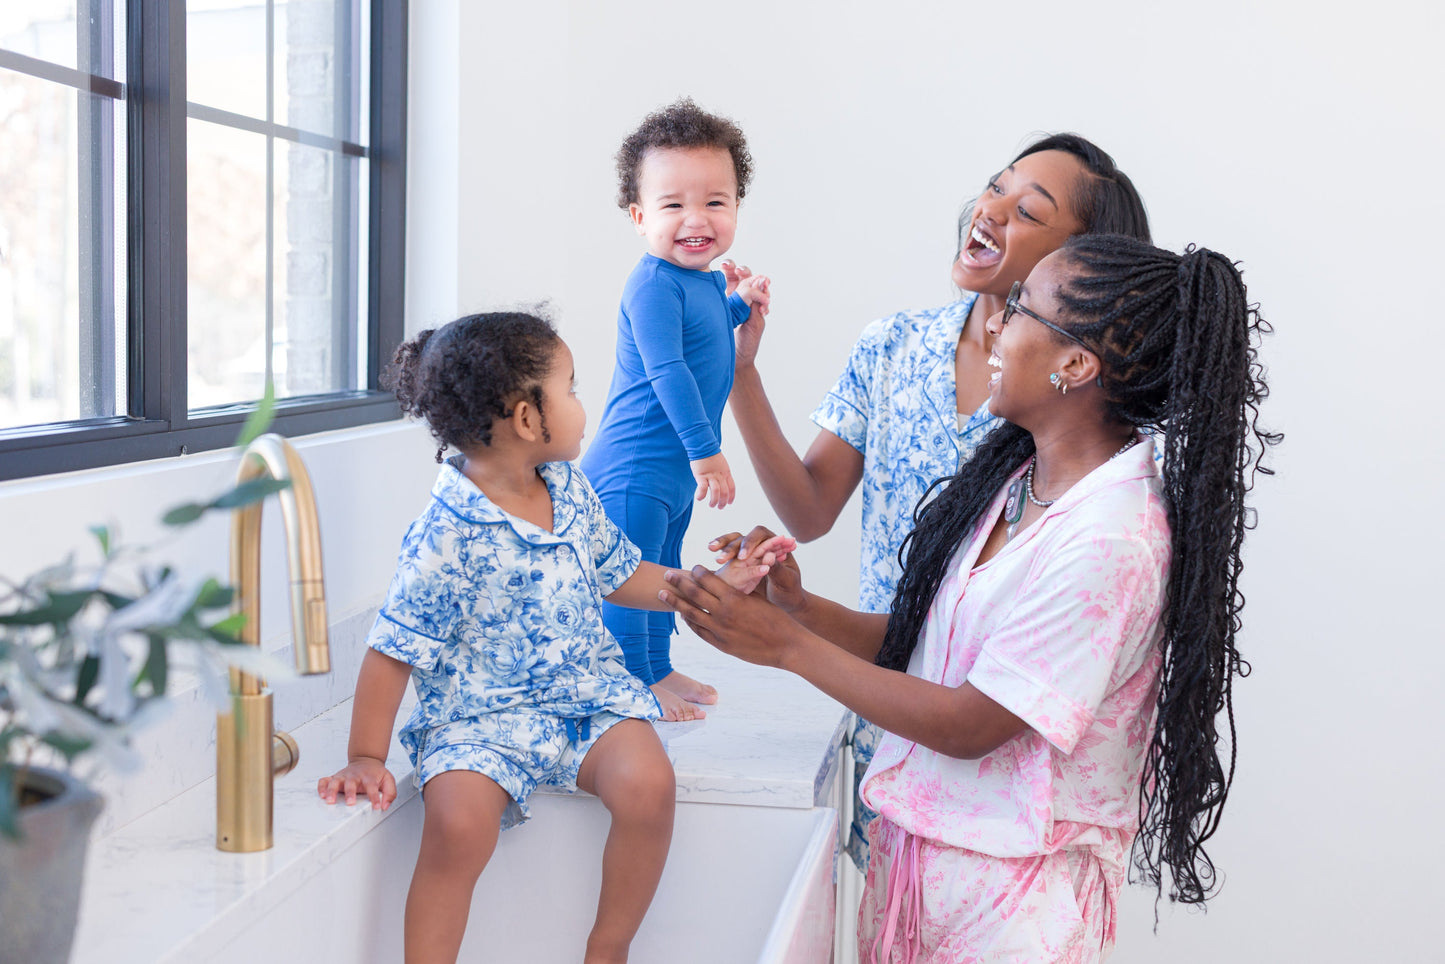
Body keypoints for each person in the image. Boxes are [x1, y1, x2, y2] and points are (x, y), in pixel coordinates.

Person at [664, 235, 1281, 961]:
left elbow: (972, 722)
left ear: (1074, 365)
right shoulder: (1021, 482)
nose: (993, 324)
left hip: (1011, 914)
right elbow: (935, 650)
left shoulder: (1112, 538)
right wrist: (796, 607)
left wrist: (785, 648)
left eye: (1018, 308)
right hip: (924, 877)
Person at [723, 133, 1152, 870]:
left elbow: (993, 703)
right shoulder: (893, 345)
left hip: (994, 736)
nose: (990, 209)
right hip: (873, 690)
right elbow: (809, 510)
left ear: (1080, 263)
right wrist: (739, 374)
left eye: (1028, 210)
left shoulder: (1061, 410)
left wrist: (788, 641)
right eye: (995, 186)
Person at [316, 311, 793, 964]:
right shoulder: (444, 533)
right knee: (456, 823)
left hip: (585, 700)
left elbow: (622, 573)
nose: (580, 404)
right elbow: (393, 649)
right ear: (525, 418)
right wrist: (366, 756)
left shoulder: (568, 488)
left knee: (649, 783)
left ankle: (608, 947)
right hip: (480, 718)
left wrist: (712, 583)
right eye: (570, 389)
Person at [581, 98, 772, 722]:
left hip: (673, 471)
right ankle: (632, 679)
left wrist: (741, 304)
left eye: (715, 201)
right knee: (630, 578)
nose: (696, 219)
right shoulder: (651, 285)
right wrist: (706, 451)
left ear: (737, 206)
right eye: (672, 205)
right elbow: (668, 369)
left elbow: (708, 329)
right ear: (639, 217)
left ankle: (656, 666)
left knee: (663, 573)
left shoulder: (704, 282)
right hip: (637, 466)